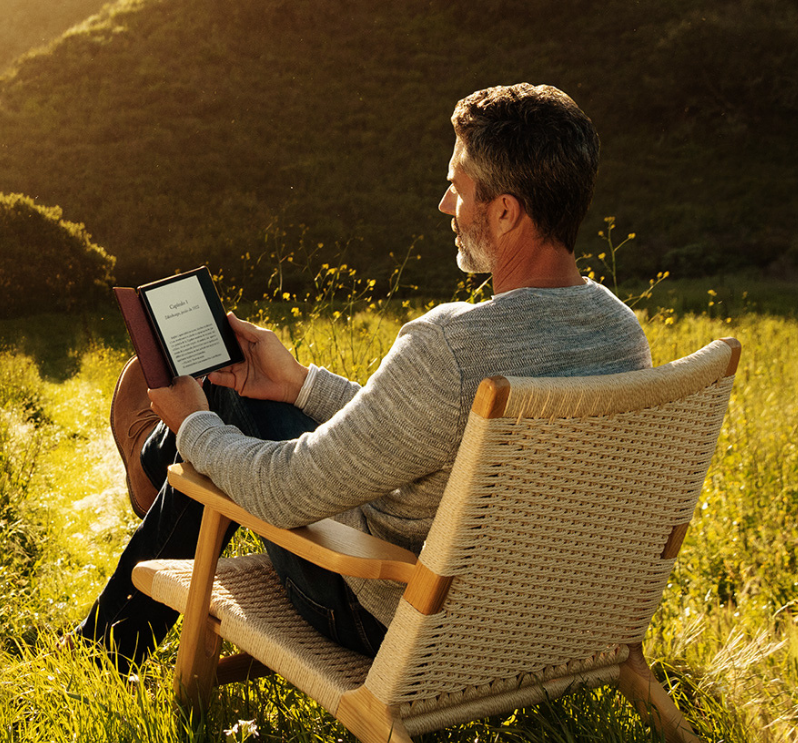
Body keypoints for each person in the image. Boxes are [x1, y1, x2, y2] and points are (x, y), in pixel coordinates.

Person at [76, 83, 653, 674]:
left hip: (392, 622)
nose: (444, 204)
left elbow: (286, 491)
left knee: (217, 397)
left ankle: (112, 613)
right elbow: (434, 436)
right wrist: (301, 384)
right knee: (238, 395)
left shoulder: (449, 348)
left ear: (505, 210)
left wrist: (193, 423)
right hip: (541, 629)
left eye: (457, 185)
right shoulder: (621, 332)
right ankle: (157, 470)